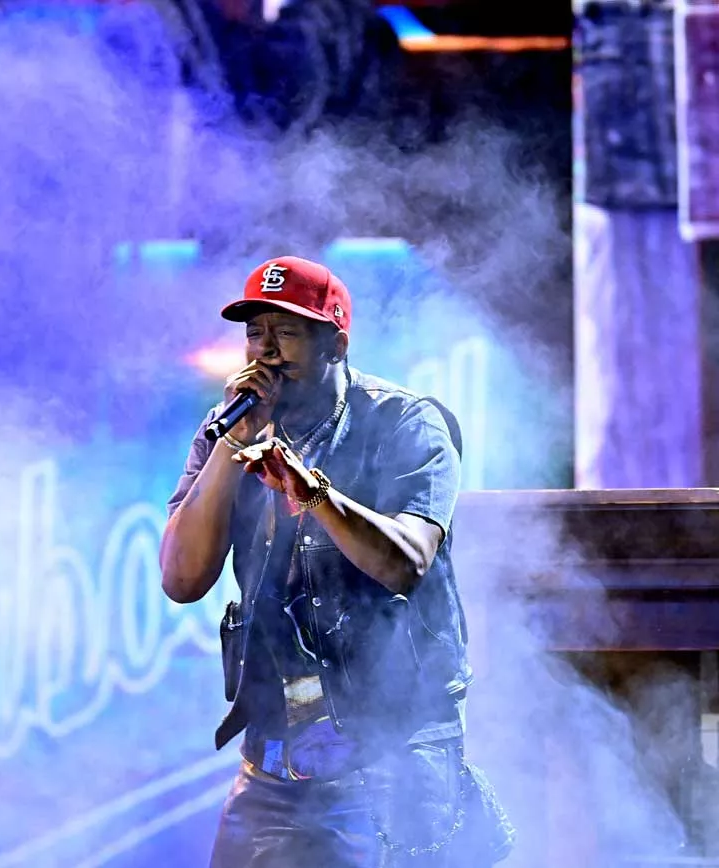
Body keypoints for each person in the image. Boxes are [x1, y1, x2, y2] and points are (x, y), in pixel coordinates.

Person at [160, 256, 507, 866]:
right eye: (255, 333)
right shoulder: (227, 431)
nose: (266, 354)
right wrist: (229, 446)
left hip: (388, 760)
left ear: (336, 342)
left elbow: (406, 561)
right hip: (273, 765)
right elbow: (182, 579)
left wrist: (313, 493)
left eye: (287, 333)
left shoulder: (406, 423)